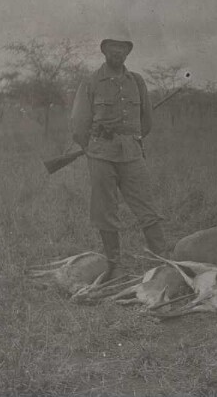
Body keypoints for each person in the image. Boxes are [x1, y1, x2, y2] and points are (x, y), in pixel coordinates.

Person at [70, 35, 166, 274]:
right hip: (101, 155)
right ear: (104, 50)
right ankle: (115, 265)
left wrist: (130, 139)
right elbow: (79, 123)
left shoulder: (137, 81)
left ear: (127, 52)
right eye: (113, 47)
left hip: (132, 154)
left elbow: (147, 121)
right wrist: (93, 148)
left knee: (147, 205)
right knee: (105, 210)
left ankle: (164, 261)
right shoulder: (91, 81)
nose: (118, 52)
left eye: (122, 48)